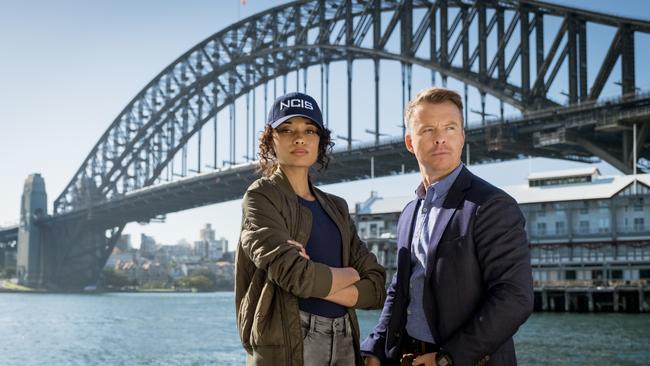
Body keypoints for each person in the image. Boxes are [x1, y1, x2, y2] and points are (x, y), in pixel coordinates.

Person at [361, 87, 534, 366]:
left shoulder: (491, 205)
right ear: (409, 142)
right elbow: (400, 289)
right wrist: (374, 347)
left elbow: (515, 297)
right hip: (409, 357)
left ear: (463, 137)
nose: (440, 138)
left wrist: (447, 358)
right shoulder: (409, 212)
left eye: (450, 128)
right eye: (428, 130)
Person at [235, 91, 386, 366]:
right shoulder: (261, 196)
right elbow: (295, 276)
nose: (300, 138)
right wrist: (351, 274)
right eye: (286, 129)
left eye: (310, 129)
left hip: (344, 341)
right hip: (289, 342)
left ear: (320, 141)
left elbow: (376, 287)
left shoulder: (336, 207)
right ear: (271, 140)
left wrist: (315, 279)